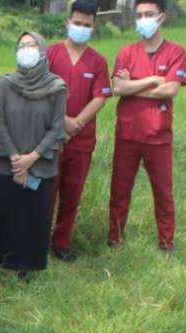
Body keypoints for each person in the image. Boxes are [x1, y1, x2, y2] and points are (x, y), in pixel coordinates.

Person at [108, 0, 186, 253]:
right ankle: (114, 238)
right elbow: (117, 88)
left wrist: (134, 86)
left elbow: (171, 90)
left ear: (161, 17)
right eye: (139, 14)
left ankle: (166, 241)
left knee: (163, 192)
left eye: (149, 14)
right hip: (128, 133)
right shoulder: (126, 53)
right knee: (120, 189)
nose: (143, 19)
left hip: (158, 135)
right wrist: (153, 80)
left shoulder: (176, 52)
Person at [0, 31, 67, 274]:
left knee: (33, 216)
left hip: (41, 164)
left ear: (42, 50)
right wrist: (16, 160)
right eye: (22, 45)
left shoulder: (56, 87)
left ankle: (28, 266)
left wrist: (31, 159)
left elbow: (57, 128)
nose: (26, 49)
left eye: (32, 45)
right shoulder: (6, 83)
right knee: (3, 212)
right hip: (5, 163)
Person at [47, 0, 111, 261]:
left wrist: (75, 125)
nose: (81, 28)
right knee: (46, 193)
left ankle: (61, 243)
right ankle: (38, 240)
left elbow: (100, 97)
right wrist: (62, 121)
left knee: (72, 195)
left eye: (86, 25)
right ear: (67, 22)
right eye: (77, 23)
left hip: (81, 141)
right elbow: (40, 92)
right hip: (50, 138)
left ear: (93, 26)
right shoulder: (50, 54)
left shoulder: (97, 61)